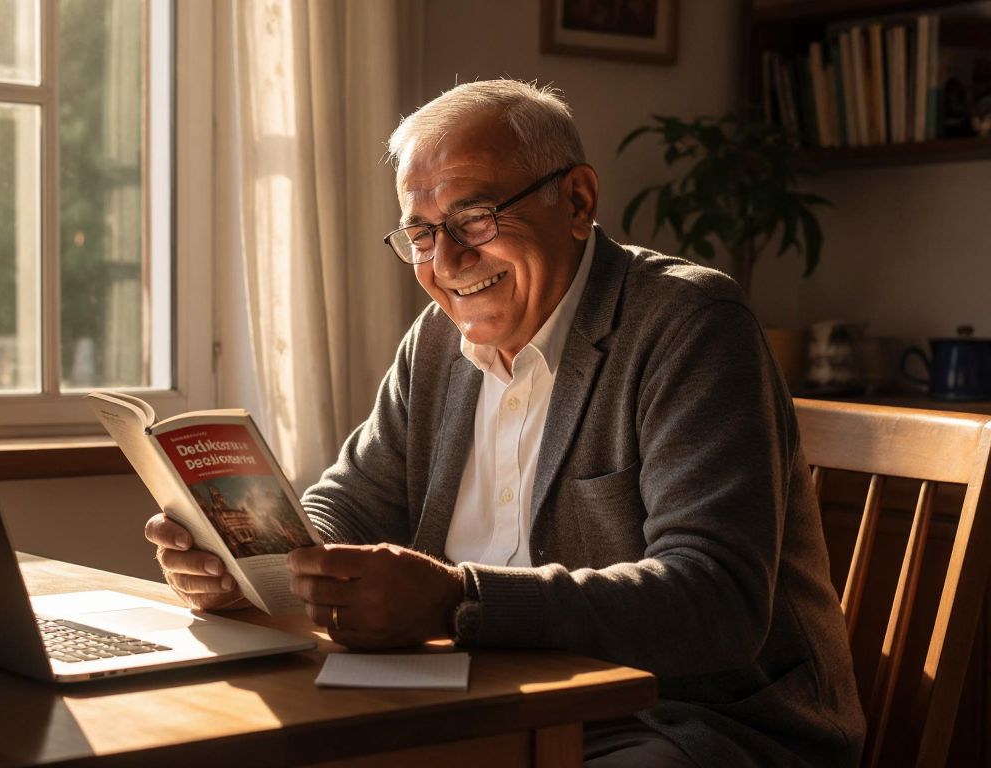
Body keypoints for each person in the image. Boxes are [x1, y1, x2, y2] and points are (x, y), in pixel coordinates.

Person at [145, 79, 864, 766]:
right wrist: (254, 562)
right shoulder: (434, 341)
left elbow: (715, 601)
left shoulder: (690, 325)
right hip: (483, 701)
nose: (447, 261)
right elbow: (352, 502)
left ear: (577, 201)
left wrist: (460, 601)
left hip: (687, 720)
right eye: (420, 233)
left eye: (475, 219)